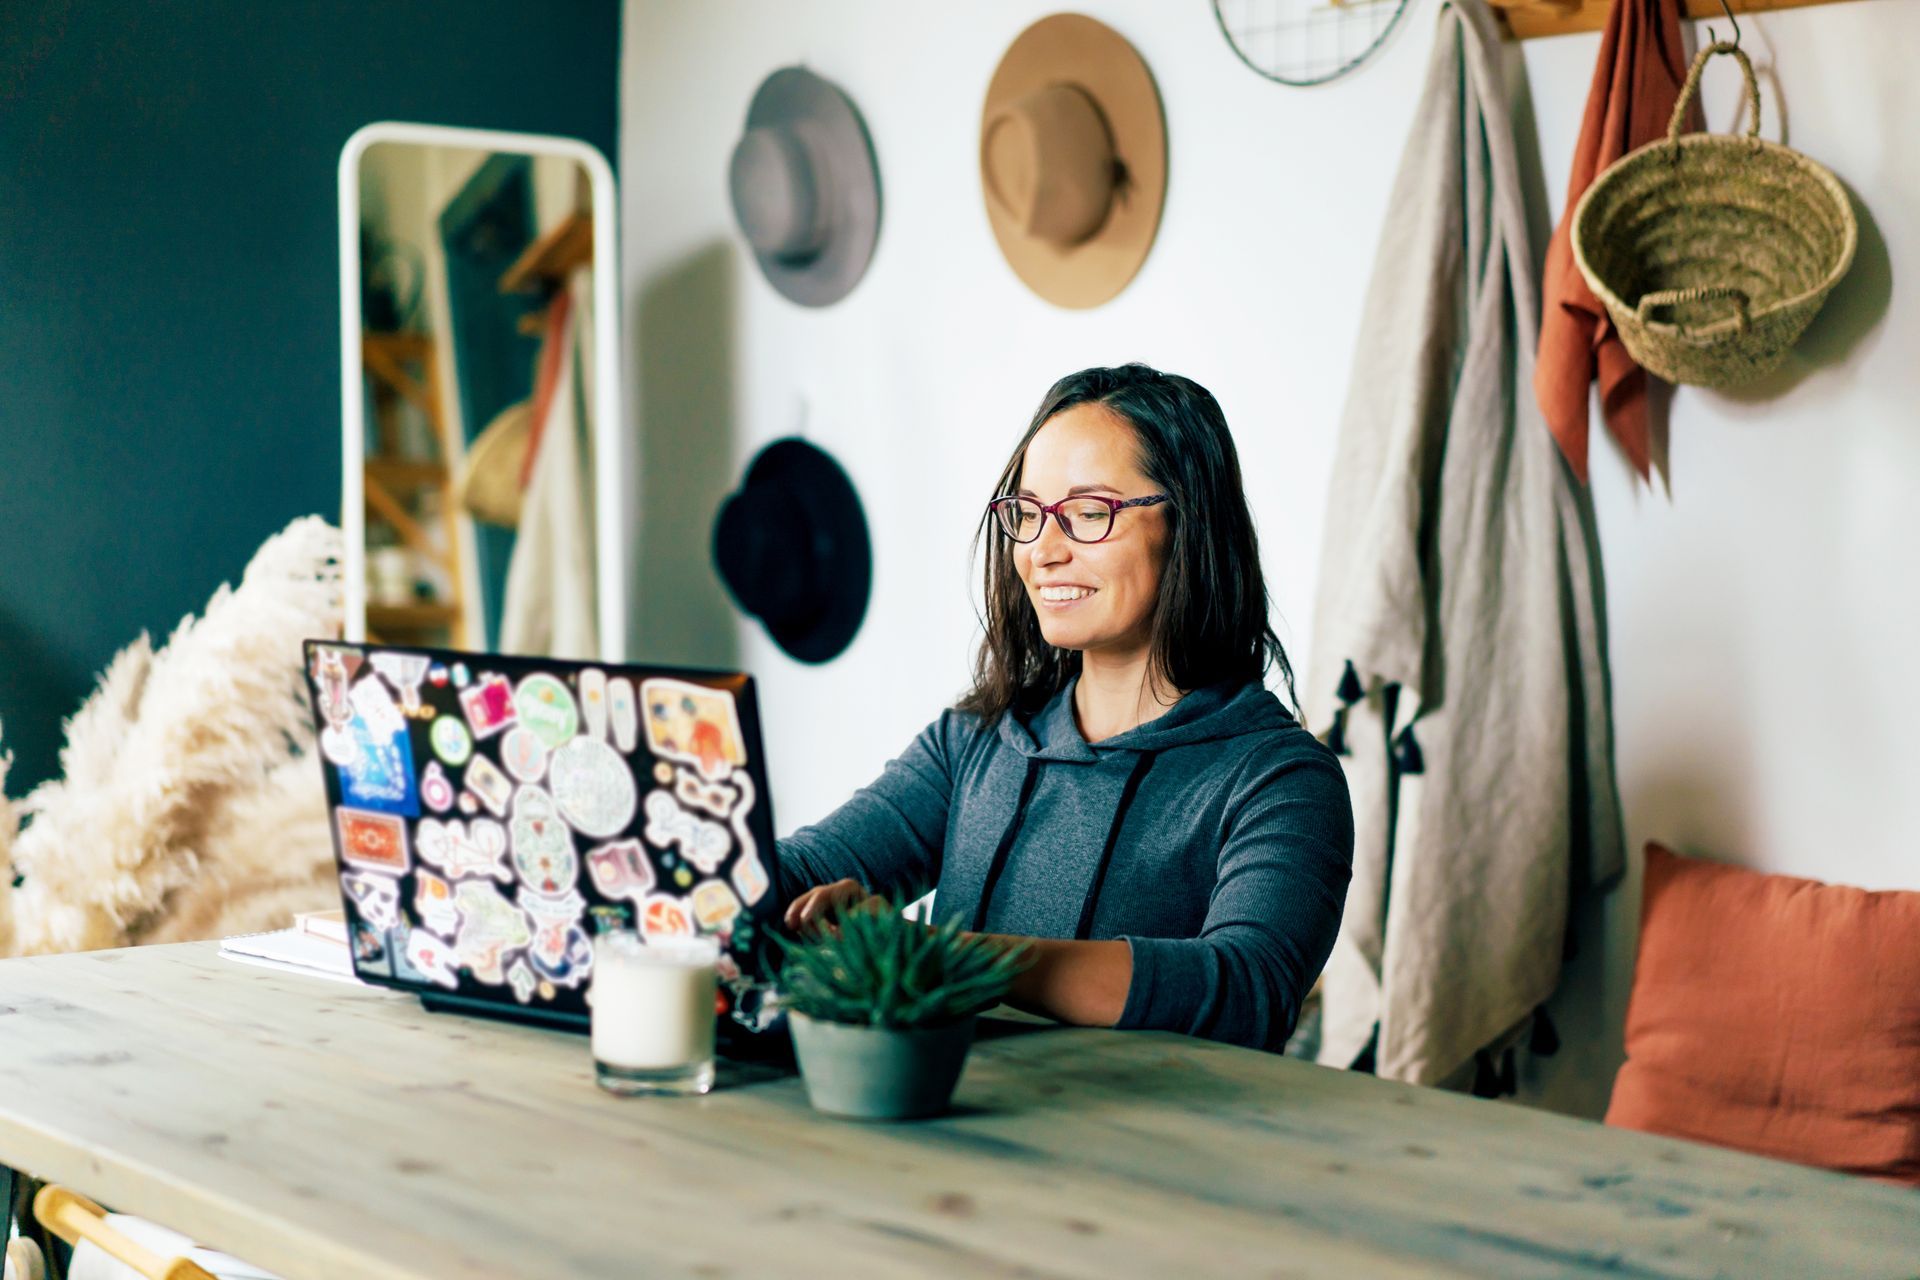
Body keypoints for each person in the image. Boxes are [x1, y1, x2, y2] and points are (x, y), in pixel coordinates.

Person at [779, 364, 1354, 1052]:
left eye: (1089, 514)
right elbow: (802, 873)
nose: (1043, 551)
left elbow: (1243, 988)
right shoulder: (974, 742)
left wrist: (947, 955)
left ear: (1189, 524)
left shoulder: (1280, 779)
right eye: (1026, 514)